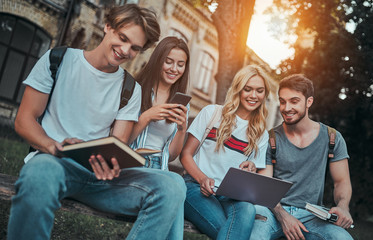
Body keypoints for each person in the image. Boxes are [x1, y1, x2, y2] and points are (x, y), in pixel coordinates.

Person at [8, 4, 186, 240]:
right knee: (39, 171)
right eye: (122, 38)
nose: (124, 50)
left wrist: (110, 161)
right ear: (108, 26)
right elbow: (24, 120)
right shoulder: (57, 60)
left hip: (100, 179)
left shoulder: (130, 88)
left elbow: (118, 143)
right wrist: (54, 146)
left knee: (172, 186)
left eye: (134, 48)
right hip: (54, 164)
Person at [250, 74, 353, 240]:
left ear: (309, 102)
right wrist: (283, 216)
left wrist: (343, 206)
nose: (286, 107)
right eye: (282, 101)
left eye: (294, 101)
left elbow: (341, 182)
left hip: (312, 216)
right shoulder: (270, 139)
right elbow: (265, 188)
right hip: (273, 211)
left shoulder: (332, 138)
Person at [180, 65, 271, 239]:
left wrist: (251, 167)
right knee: (231, 231)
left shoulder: (261, 133)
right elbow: (185, 155)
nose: (254, 96)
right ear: (238, 89)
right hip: (196, 187)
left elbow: (252, 172)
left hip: (232, 196)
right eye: (248, 89)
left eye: (260, 91)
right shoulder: (211, 113)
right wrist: (203, 179)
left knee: (247, 209)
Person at [130, 36, 190, 171]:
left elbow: (171, 156)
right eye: (168, 62)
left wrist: (182, 129)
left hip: (159, 167)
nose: (174, 69)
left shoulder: (182, 103)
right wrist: (146, 117)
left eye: (180, 65)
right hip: (132, 161)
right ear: (158, 61)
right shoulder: (136, 90)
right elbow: (121, 140)